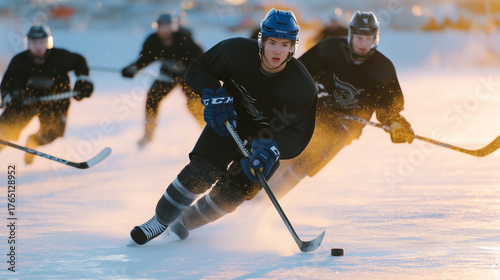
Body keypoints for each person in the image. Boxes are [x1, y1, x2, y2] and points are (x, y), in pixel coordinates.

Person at [129, 8, 317, 245]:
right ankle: (159, 220)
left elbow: (299, 135)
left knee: (235, 192)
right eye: (272, 42)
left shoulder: (302, 87)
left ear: (293, 47)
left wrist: (273, 148)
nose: (277, 50)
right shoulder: (235, 51)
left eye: (284, 44)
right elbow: (197, 69)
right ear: (262, 40)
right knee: (201, 171)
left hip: (265, 141)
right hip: (229, 122)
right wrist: (214, 94)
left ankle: (184, 223)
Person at [268, 11, 415, 198]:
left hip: (347, 125)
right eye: (359, 38)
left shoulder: (382, 68)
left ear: (375, 39)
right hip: (315, 111)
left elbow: (388, 108)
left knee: (310, 159)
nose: (363, 44)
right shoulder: (330, 48)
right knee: (289, 150)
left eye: (368, 38)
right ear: (351, 36)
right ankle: (255, 186)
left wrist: (396, 123)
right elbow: (300, 72)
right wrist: (318, 92)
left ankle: (270, 198)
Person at [0, 25, 94, 164]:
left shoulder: (60, 57)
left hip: (55, 102)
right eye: (34, 42)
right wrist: (10, 97)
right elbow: (7, 84)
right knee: (4, 130)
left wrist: (83, 81)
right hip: (25, 102)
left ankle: (34, 140)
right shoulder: (19, 61)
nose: (38, 46)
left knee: (52, 132)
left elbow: (79, 61)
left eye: (42, 42)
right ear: (28, 43)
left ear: (48, 42)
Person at [121, 13, 204, 147]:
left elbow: (199, 58)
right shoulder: (153, 41)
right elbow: (145, 59)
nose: (164, 30)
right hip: (167, 75)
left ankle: (206, 130)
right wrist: (133, 69)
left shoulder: (184, 39)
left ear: (174, 27)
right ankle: (148, 136)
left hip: (188, 76)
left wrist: (188, 72)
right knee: (152, 98)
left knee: (194, 103)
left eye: (167, 27)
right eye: (161, 27)